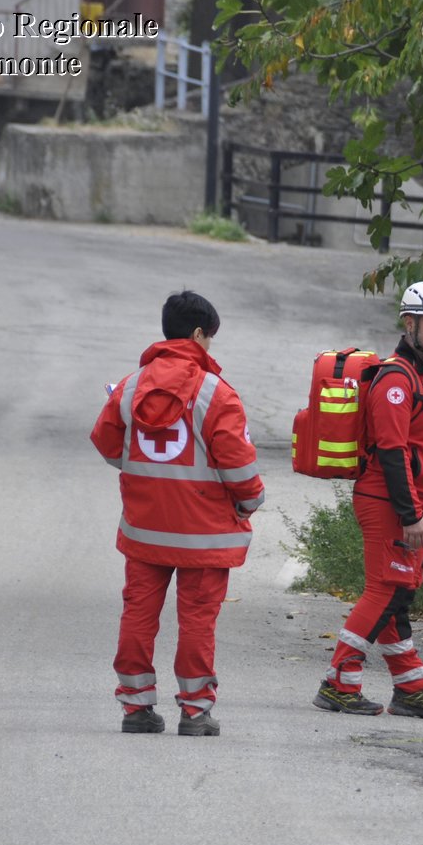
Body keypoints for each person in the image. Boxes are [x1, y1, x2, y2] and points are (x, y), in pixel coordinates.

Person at [91, 290, 265, 736]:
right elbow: (238, 465)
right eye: (211, 338)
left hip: (145, 530)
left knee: (138, 614)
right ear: (198, 334)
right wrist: (250, 502)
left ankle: (136, 708)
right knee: (198, 620)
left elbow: (108, 444)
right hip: (204, 535)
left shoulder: (131, 387)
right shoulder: (217, 394)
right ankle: (195, 711)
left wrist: (144, 479)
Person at [315, 281, 423, 719]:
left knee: (397, 597)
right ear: (409, 323)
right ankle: (339, 682)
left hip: (409, 504)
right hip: (388, 504)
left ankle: (411, 688)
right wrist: (413, 513)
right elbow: (394, 453)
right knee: (383, 592)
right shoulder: (397, 380)